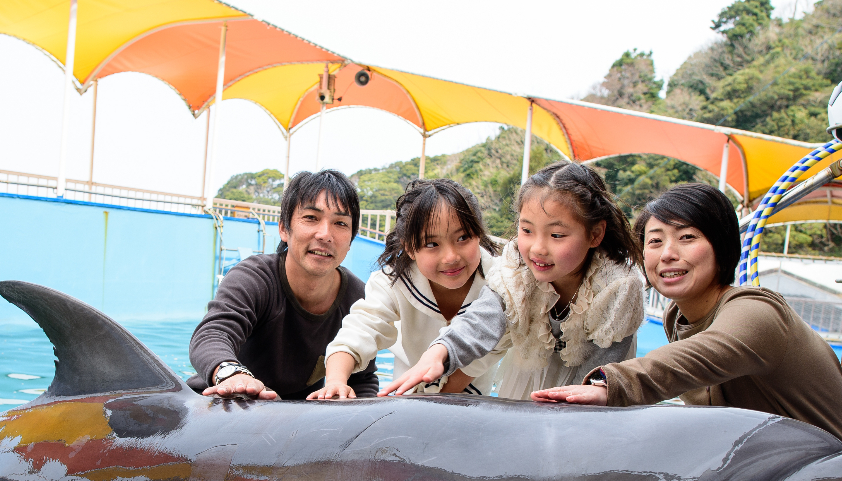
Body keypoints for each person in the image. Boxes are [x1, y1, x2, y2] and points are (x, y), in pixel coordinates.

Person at [535, 182, 842, 481]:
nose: (668, 253)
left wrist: (613, 384)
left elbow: (703, 356)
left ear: (721, 245)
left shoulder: (757, 312)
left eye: (687, 237)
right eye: (655, 241)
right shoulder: (679, 318)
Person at [378, 161, 645, 400]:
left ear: (595, 234)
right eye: (527, 230)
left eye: (557, 235)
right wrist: (441, 352)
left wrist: (582, 400)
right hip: (533, 373)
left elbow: (603, 369)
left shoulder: (618, 288)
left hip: (593, 387)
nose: (538, 248)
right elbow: (483, 318)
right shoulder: (516, 270)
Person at [187, 169, 378, 400]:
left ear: (350, 241)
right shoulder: (254, 278)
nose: (325, 234)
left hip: (292, 420)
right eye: (311, 218)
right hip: (222, 404)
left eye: (340, 223)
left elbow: (362, 378)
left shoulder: (357, 297)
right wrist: (233, 375)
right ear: (284, 229)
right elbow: (213, 334)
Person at [309, 179, 503, 400]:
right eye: (432, 244)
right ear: (410, 247)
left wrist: (430, 404)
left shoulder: (501, 283)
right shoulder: (394, 282)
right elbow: (361, 329)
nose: (451, 257)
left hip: (474, 394)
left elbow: (485, 353)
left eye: (463, 238)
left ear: (479, 233)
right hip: (407, 391)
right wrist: (335, 381)